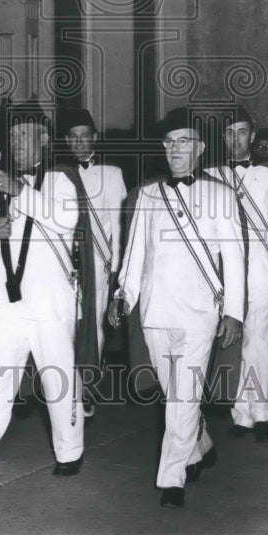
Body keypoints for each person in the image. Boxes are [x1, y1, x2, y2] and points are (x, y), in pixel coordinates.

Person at [0, 103, 95, 485]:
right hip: (3, 304)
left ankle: (69, 451)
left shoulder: (60, 180)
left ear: (44, 139)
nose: (16, 143)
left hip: (49, 303)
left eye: (24, 135)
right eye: (12, 137)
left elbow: (66, 219)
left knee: (58, 380)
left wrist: (21, 192)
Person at [109, 106, 244, 509]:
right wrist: (124, 295)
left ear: (200, 148)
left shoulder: (221, 195)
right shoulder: (148, 194)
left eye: (183, 141)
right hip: (155, 312)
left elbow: (234, 259)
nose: (175, 149)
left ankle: (172, 478)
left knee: (184, 397)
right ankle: (199, 446)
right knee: (176, 398)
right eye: (169, 142)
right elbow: (134, 256)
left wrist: (234, 312)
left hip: (200, 313)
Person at [204, 107, 268, 443]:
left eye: (242, 132)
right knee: (234, 341)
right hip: (222, 271)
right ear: (222, 137)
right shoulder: (208, 175)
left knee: (257, 339)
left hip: (260, 268)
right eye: (229, 133)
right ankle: (240, 412)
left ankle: (259, 414)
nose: (235, 139)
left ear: (253, 136)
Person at [59, 107, 127, 417]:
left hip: (98, 262)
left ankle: (86, 386)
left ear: (94, 138)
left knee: (94, 326)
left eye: (84, 137)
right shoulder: (56, 174)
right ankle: (66, 385)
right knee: (67, 323)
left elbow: (119, 223)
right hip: (64, 262)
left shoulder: (111, 174)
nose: (79, 143)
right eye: (73, 138)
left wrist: (117, 270)